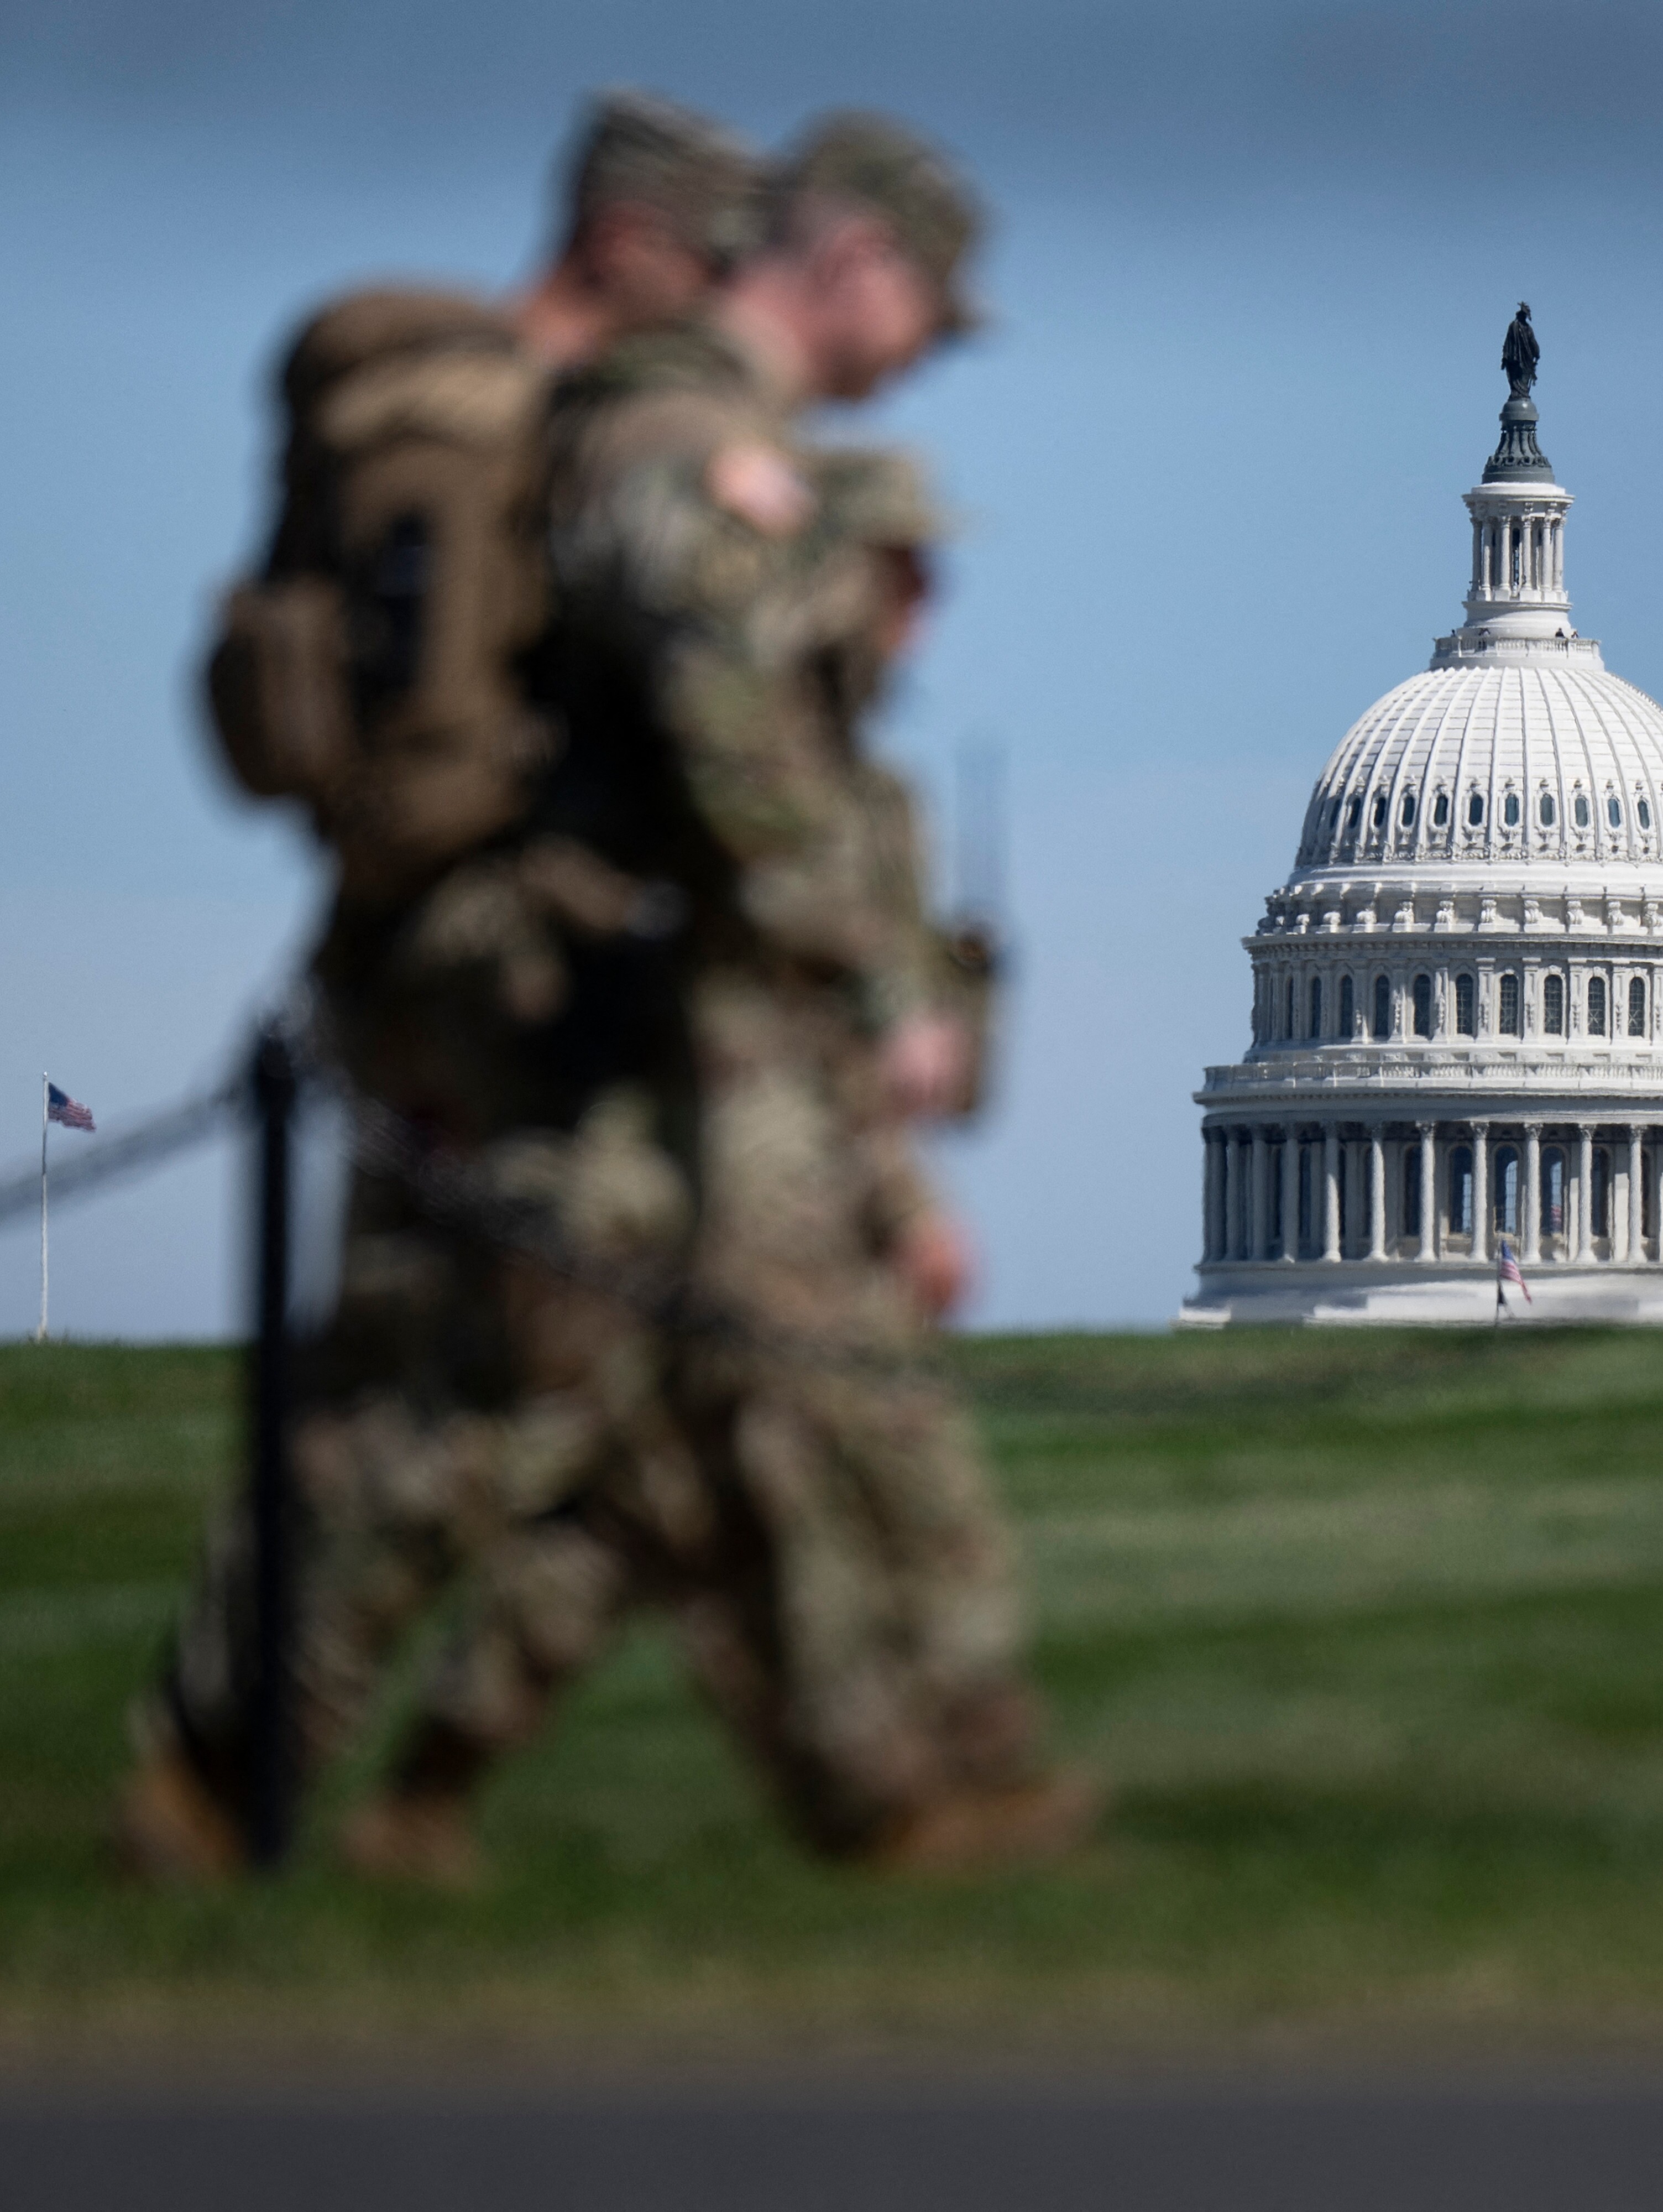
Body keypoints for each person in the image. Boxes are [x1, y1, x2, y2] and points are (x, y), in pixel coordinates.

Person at [335, 114, 1090, 1885]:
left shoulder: (858, 757)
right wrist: (871, 1026)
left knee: (660, 1493)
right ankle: (251, 1779)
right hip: (674, 1087)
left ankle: (890, 1795)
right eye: (904, 570)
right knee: (561, 1447)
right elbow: (732, 795)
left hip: (720, 1095)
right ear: (852, 265)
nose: (925, 607)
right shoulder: (691, 466)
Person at [116, 90, 764, 1884]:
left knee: (380, 1372)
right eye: (705, 261)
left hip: (371, 931)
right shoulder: (549, 434)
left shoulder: (376, 405)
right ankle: (249, 1778)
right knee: (516, 1382)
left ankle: (274, 1776)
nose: (715, 304)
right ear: (629, 242)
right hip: (514, 956)